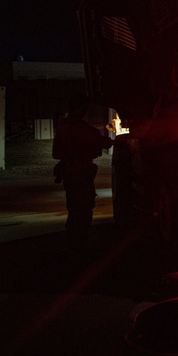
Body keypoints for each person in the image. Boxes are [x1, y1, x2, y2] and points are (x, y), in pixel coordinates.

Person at [52, 93, 113, 254]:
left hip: (70, 174)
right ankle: (78, 246)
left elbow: (56, 152)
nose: (86, 111)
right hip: (80, 173)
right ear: (79, 108)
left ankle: (73, 244)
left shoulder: (64, 125)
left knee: (74, 209)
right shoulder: (79, 127)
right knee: (83, 210)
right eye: (84, 107)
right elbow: (101, 141)